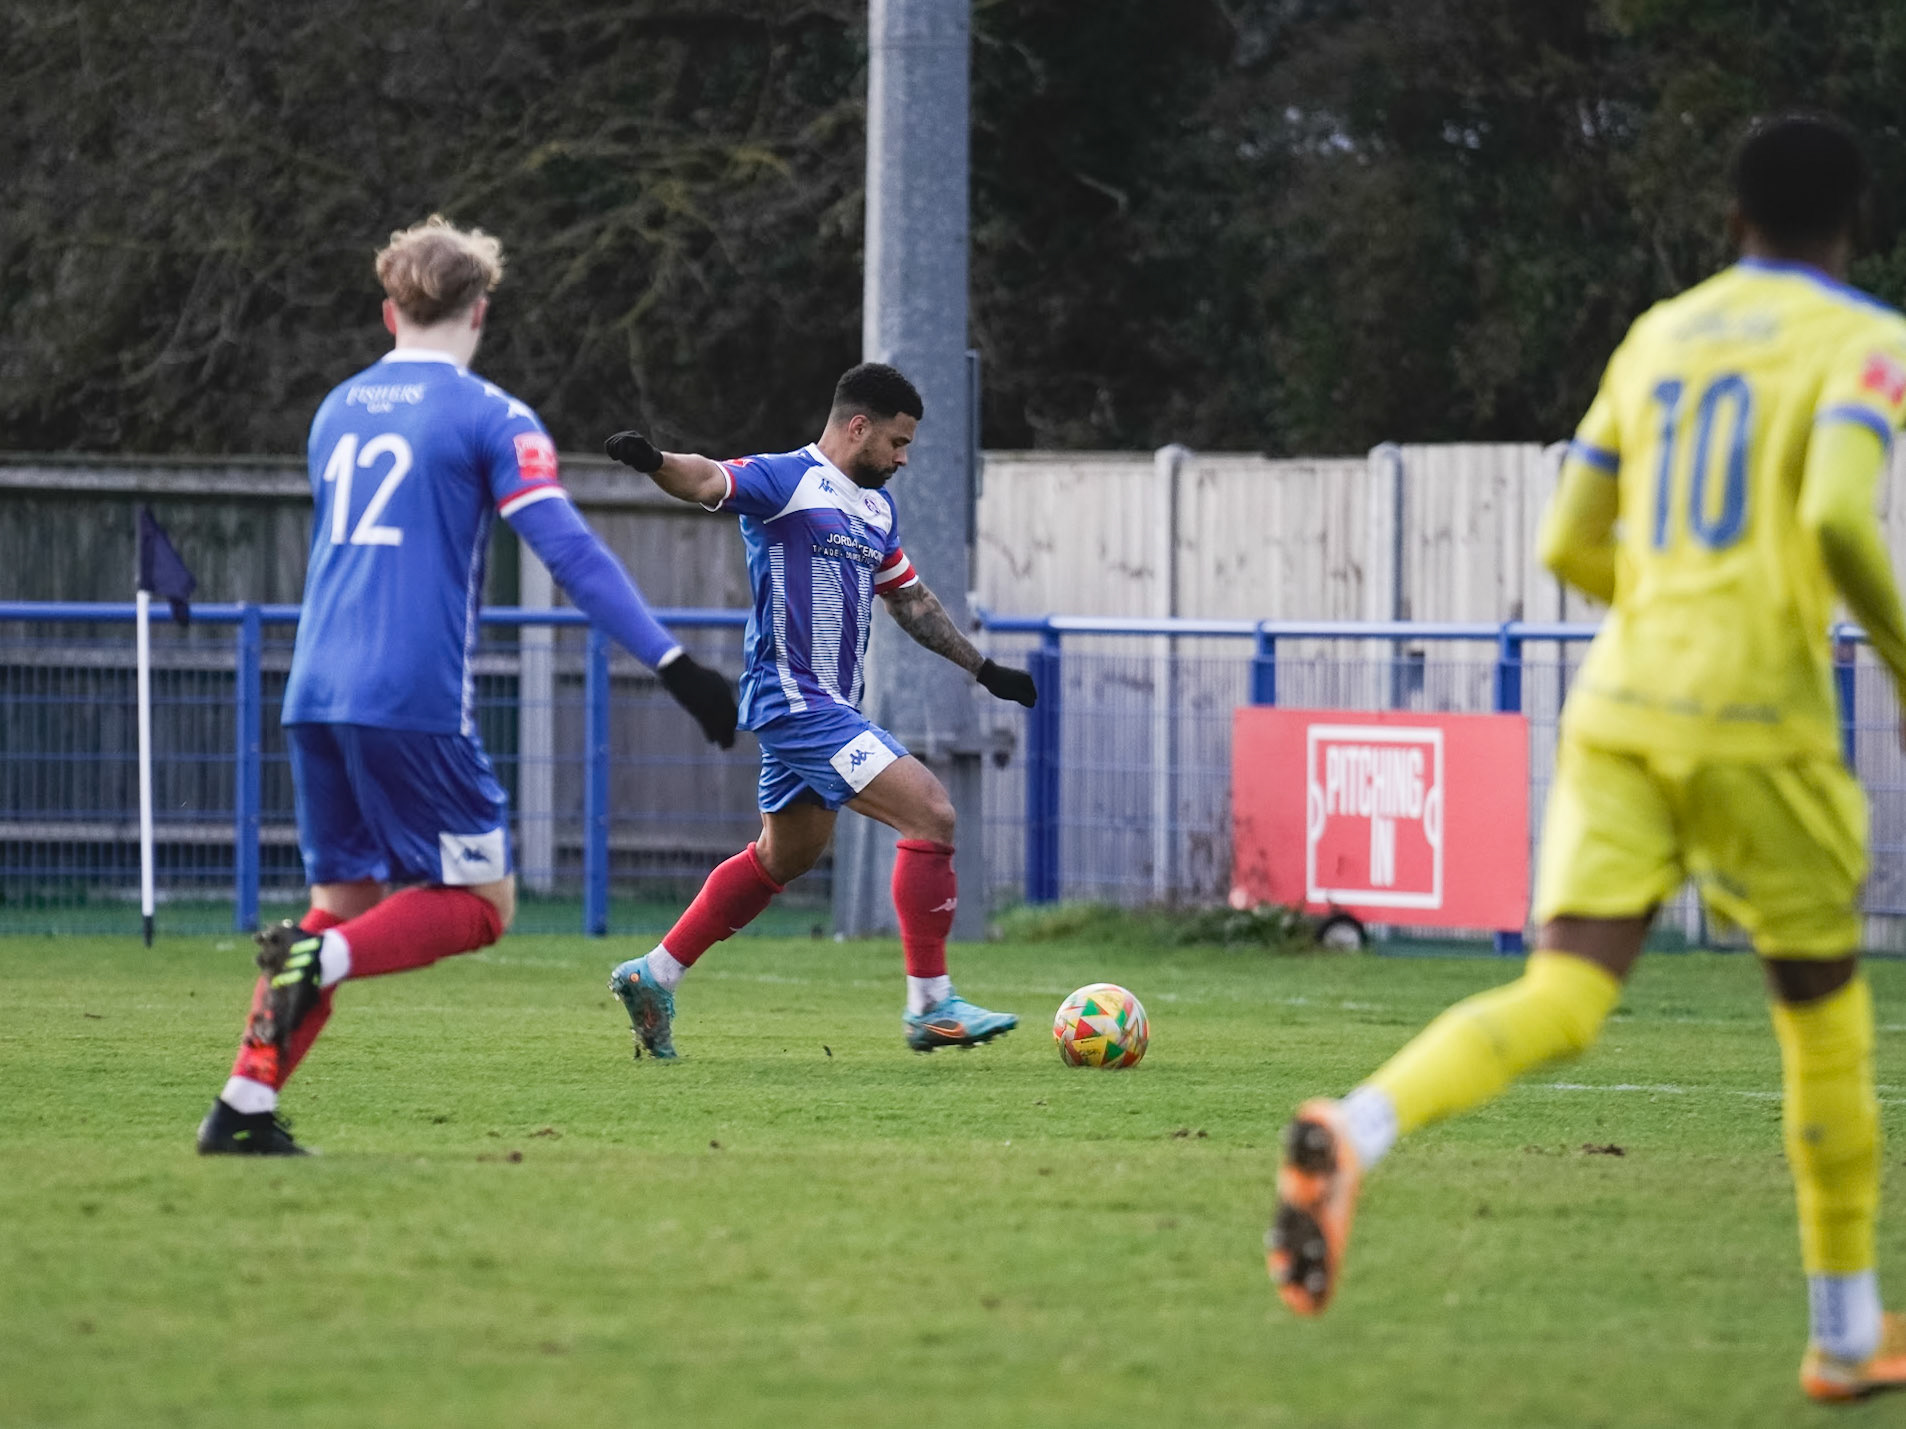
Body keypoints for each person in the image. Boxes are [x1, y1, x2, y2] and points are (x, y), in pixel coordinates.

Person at [1268, 112, 1906, 1403]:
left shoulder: (1656, 334)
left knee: (1562, 993)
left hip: (1619, 702)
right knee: (1821, 1018)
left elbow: (1567, 544)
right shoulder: (1865, 340)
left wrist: (1666, 612)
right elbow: (1839, 515)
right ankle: (1843, 1331)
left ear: (1731, 221)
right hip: (1759, 716)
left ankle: (1356, 1126)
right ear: (1856, 223)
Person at [196, 216, 738, 1156]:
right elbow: (569, 553)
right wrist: (673, 662)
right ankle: (319, 960)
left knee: (342, 902)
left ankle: (243, 1105)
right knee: (482, 902)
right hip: (410, 695)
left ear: (389, 310)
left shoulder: (336, 409)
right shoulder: (492, 416)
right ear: (480, 310)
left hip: (313, 688)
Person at [601, 362, 1037, 1057]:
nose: (902, 459)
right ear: (858, 426)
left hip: (827, 705)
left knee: (784, 856)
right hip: (794, 699)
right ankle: (930, 1004)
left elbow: (911, 602)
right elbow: (708, 479)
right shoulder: (787, 480)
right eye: (897, 443)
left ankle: (654, 973)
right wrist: (655, 462)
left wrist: (982, 669)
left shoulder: (876, 510)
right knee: (931, 811)